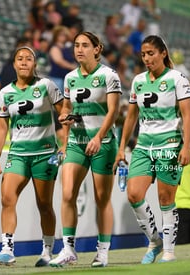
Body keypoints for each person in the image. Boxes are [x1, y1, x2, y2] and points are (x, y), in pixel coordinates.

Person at [114, 35, 190, 263]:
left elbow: (187, 116)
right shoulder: (138, 81)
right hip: (143, 146)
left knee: (165, 198)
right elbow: (130, 118)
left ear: (163, 53)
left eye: (151, 53)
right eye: (143, 54)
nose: (147, 58)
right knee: (133, 194)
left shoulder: (178, 79)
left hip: (169, 143)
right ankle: (155, 240)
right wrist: (122, 149)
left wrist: (186, 146)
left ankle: (168, 250)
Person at [49, 31, 122, 268]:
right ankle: (68, 248)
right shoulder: (70, 78)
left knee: (102, 199)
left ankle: (103, 251)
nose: (79, 49)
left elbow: (114, 112)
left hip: (103, 144)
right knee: (68, 193)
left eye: (85, 45)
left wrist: (99, 137)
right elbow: (67, 107)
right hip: (77, 143)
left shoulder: (109, 75)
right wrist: (65, 117)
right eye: (76, 45)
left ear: (97, 49)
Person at [0, 46, 64, 267]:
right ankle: (7, 250)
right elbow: (2, 127)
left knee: (44, 204)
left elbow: (65, 113)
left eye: (28, 59)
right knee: (7, 198)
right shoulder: (5, 93)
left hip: (45, 155)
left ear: (35, 64)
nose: (23, 62)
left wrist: (65, 144)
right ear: (14, 64)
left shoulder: (46, 86)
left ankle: (47, 252)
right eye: (19, 59)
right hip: (18, 155)